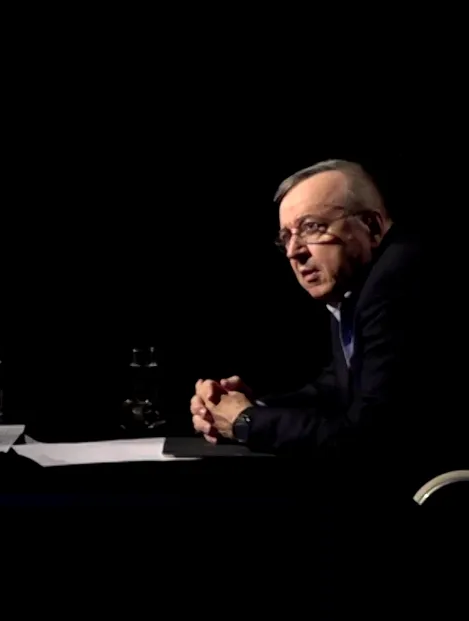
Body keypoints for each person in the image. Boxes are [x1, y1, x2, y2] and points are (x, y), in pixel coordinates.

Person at [188, 159, 439, 472]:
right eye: (286, 237)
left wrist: (247, 421)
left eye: (311, 228)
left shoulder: (396, 281)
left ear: (372, 227)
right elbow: (336, 388)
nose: (294, 252)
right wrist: (242, 406)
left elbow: (369, 439)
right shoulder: (354, 290)